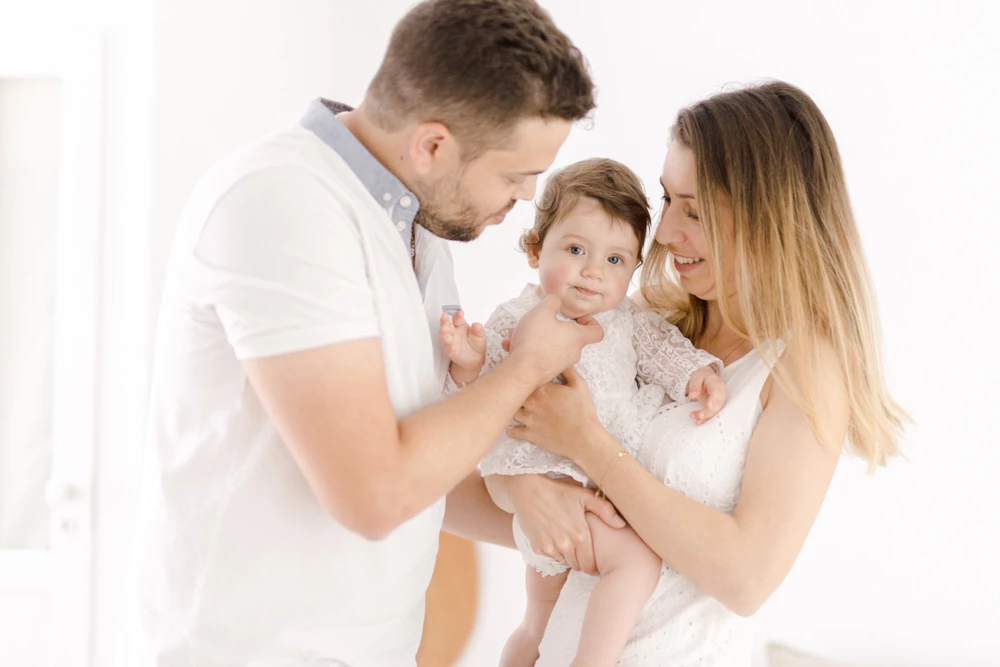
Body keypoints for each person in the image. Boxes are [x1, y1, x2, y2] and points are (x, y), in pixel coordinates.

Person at [119, 1, 622, 665]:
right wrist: (524, 366)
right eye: (514, 174)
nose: (527, 198)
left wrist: (546, 509)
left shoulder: (416, 238)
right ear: (433, 144)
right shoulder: (283, 202)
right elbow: (376, 493)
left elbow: (421, 472)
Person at [486, 81, 907, 666]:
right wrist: (520, 487)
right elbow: (490, 494)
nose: (663, 233)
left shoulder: (805, 366)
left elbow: (746, 578)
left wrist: (587, 442)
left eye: (696, 211)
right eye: (667, 201)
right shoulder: (648, 323)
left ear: (770, 220)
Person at [439, 158, 726, 667]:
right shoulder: (514, 319)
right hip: (534, 478)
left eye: (616, 260)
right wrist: (466, 366)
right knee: (636, 562)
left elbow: (665, 353)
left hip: (580, 495)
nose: (594, 271)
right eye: (576, 251)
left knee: (538, 623)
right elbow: (482, 401)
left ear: (636, 267)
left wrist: (697, 374)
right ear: (535, 249)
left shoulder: (629, 322)